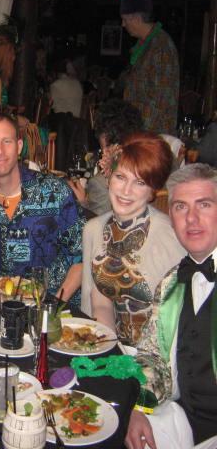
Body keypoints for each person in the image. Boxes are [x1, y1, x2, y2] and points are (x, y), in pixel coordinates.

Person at [126, 163, 217, 449]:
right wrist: (138, 408)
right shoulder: (172, 283)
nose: (191, 218)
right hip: (184, 421)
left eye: (204, 204)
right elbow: (152, 356)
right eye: (180, 207)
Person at [0, 113, 84, 305]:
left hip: (53, 306)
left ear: (19, 146)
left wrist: (53, 307)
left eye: (6, 141)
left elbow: (82, 256)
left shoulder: (56, 193)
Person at [82, 133, 185, 336]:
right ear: (108, 176)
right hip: (108, 347)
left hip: (161, 351)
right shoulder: (93, 230)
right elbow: (97, 305)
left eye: (139, 182)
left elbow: (177, 321)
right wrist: (110, 349)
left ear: (153, 190)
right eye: (120, 177)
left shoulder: (172, 237)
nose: (126, 191)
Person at [69, 99, 144, 216]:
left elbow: (98, 226)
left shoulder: (100, 184)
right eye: (101, 148)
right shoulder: (155, 167)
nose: (103, 155)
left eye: (106, 148)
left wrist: (82, 204)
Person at [121, 0, 179, 135]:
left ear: (136, 18)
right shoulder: (143, 45)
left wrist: (137, 134)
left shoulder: (161, 46)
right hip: (139, 130)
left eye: (124, 19)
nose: (123, 24)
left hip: (153, 135)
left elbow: (160, 100)